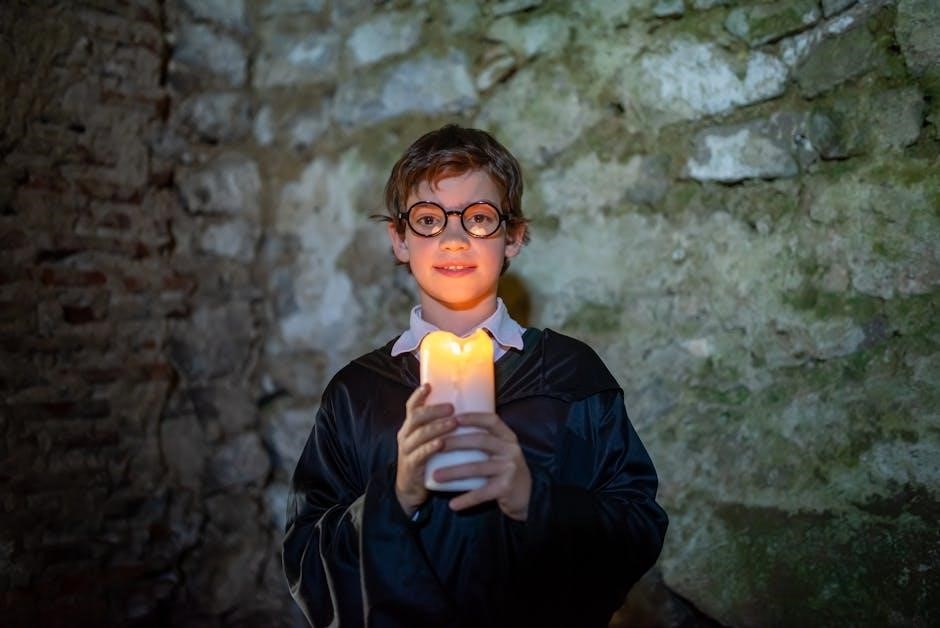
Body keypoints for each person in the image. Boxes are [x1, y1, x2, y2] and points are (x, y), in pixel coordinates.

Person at [283, 124, 668, 628]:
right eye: (428, 220)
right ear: (399, 239)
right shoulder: (354, 395)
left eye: (479, 218)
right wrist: (393, 498)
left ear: (514, 237)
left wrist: (534, 500)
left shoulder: (571, 376)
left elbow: (637, 527)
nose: (453, 239)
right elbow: (306, 561)